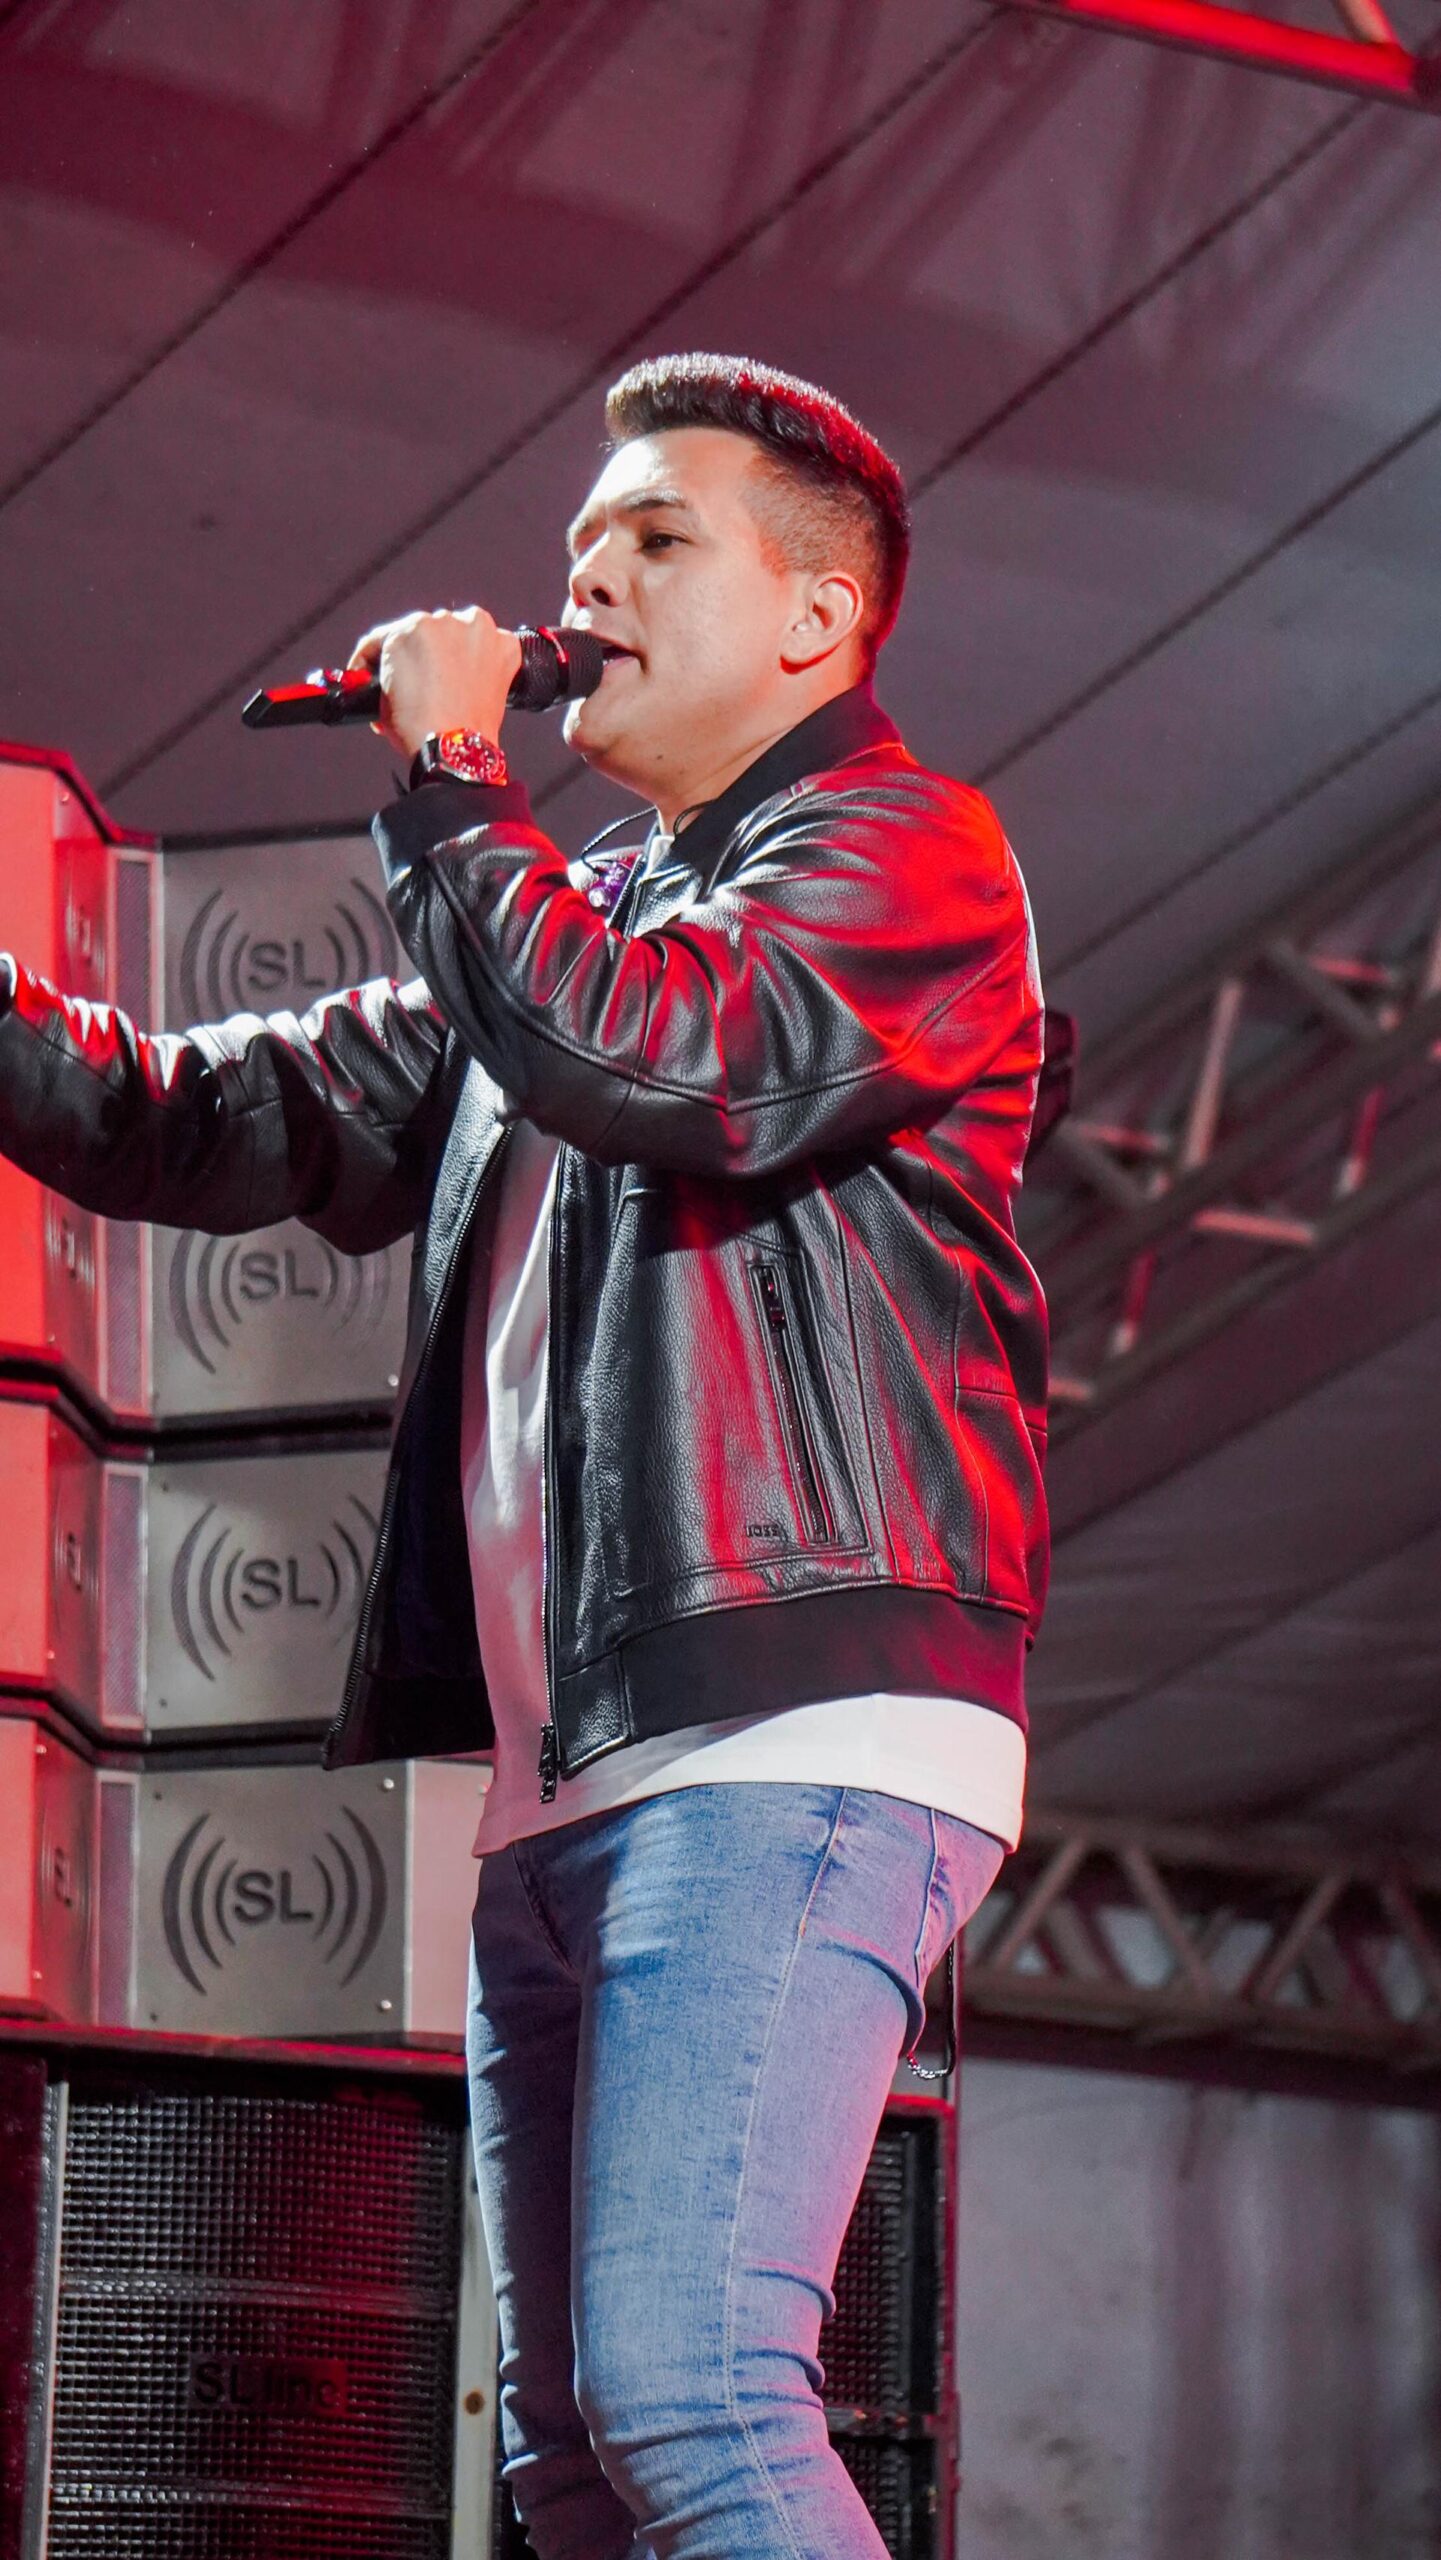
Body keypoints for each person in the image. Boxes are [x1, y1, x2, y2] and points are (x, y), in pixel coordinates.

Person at [0, 354, 1049, 2560]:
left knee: (691, 2397)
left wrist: (451, 780)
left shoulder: (905, 855)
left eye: (656, 537)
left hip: (789, 1727)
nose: (587, 581)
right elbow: (205, 1115)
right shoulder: (564, 926)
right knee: (571, 2455)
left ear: (817, 617)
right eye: (581, 542)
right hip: (570, 1771)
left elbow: (670, 1063)